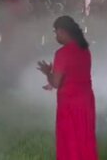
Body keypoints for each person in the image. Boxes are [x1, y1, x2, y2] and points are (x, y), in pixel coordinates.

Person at [37, 16, 98, 160]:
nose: (56, 36)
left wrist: (48, 73)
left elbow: (57, 82)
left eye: (56, 32)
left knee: (70, 140)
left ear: (62, 31)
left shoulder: (62, 53)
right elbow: (75, 75)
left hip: (70, 102)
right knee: (85, 137)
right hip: (86, 100)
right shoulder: (84, 49)